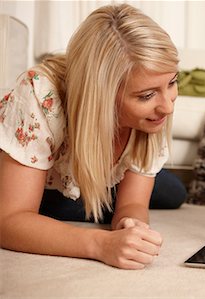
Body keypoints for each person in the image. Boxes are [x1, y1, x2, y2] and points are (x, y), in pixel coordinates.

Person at [0, 3, 186, 269]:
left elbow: (132, 204)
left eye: (172, 82)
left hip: (99, 178)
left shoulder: (153, 114)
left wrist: (129, 224)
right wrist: (99, 244)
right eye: (146, 96)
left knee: (175, 193)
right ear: (102, 95)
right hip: (47, 180)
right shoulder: (40, 94)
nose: (168, 106)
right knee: (68, 210)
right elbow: (8, 221)